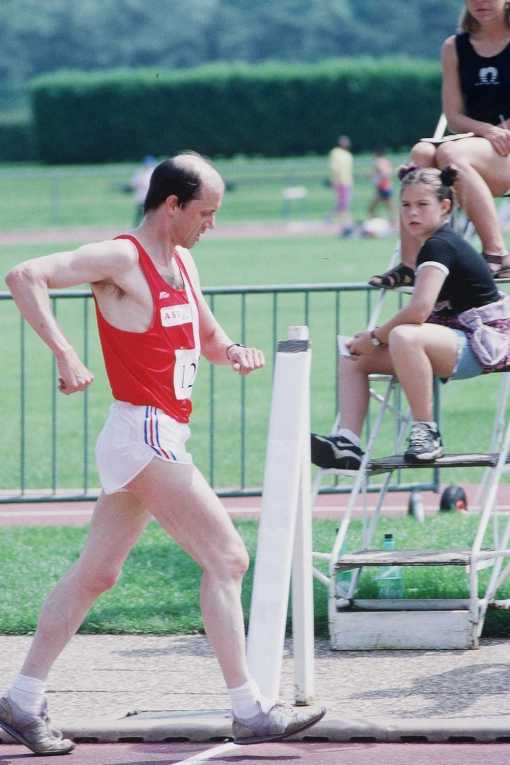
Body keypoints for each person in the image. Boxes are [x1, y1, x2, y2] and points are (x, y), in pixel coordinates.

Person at [2, 153, 325, 755]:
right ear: (172, 205)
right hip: (141, 431)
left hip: (161, 433)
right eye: (206, 212)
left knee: (98, 574)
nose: (212, 225)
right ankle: (249, 709)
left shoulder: (186, 262)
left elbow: (206, 336)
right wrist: (65, 353)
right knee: (227, 558)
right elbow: (23, 275)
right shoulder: (123, 256)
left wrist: (234, 351)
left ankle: (20, 700)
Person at [312, 166, 510, 471]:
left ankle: (427, 433)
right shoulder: (430, 245)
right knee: (353, 355)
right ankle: (347, 442)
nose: (411, 213)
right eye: (405, 205)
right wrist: (368, 342)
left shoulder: (439, 245)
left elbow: (418, 311)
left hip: (485, 344)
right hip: (453, 338)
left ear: (444, 207)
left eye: (422, 205)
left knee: (405, 334)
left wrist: (376, 336)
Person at [370, 0, 510, 289]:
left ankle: (498, 253)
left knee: (450, 153)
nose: (480, 3)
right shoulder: (453, 48)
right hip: (474, 144)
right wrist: (487, 131)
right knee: (421, 153)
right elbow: (454, 116)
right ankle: (411, 264)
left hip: (502, 152)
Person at [328, 135, 354, 236]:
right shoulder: (336, 152)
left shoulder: (348, 154)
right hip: (340, 182)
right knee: (343, 204)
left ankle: (336, 220)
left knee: (344, 203)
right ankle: (344, 223)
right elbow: (334, 168)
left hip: (347, 181)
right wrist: (334, 180)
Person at [366, 149, 397, 227]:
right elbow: (390, 172)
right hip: (387, 186)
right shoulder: (386, 161)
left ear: (376, 154)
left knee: (372, 207)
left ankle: (374, 221)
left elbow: (383, 173)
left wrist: (373, 177)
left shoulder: (378, 162)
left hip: (382, 187)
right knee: (390, 206)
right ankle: (393, 222)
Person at [131, 155, 157, 225]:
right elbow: (134, 184)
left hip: (150, 198)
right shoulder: (139, 172)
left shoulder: (153, 172)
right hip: (141, 197)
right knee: (139, 215)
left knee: (151, 215)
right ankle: (136, 229)